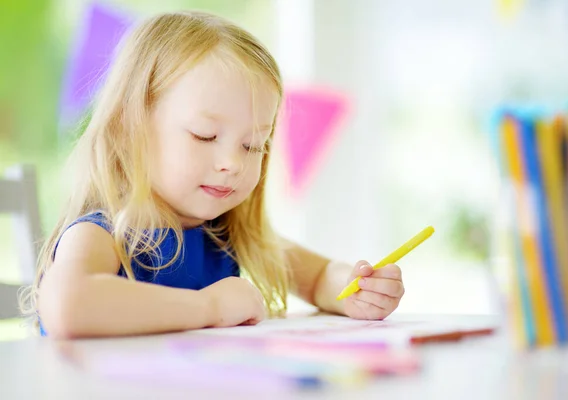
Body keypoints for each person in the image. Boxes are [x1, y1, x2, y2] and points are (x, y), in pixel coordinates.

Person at [20, 10, 405, 338]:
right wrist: (210, 306)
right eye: (205, 136)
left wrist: (356, 289)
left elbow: (320, 277)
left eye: (254, 145)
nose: (233, 164)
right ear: (129, 129)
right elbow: (68, 306)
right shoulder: (102, 235)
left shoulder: (229, 236)